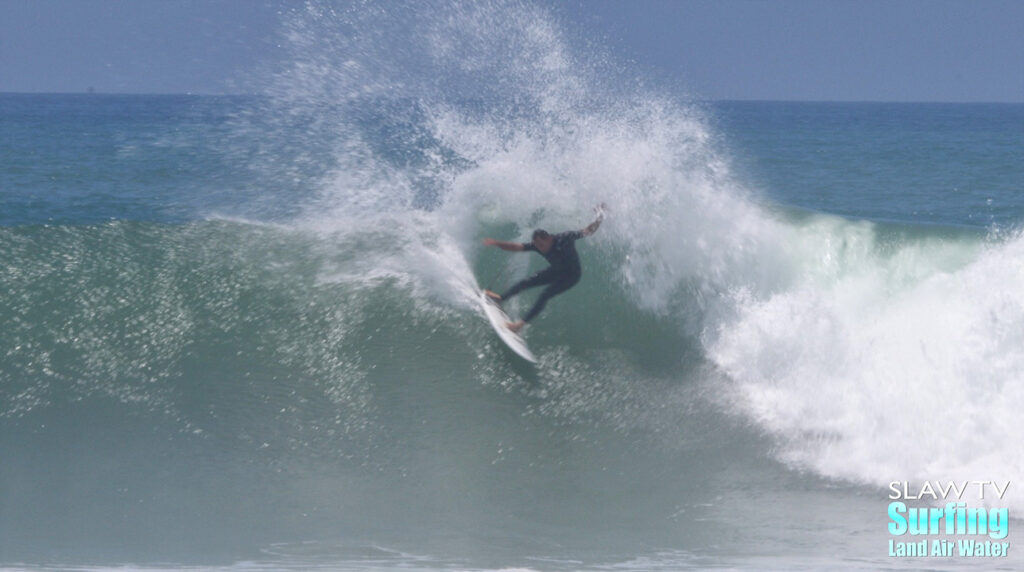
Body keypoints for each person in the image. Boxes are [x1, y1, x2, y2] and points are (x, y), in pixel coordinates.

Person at [482, 206, 604, 333]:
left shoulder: (565, 237)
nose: (540, 248)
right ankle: (501, 298)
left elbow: (588, 231)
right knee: (526, 282)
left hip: (571, 276)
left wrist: (599, 218)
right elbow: (515, 247)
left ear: (549, 238)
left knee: (545, 295)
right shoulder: (537, 245)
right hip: (556, 271)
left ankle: (518, 326)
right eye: (537, 246)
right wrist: (497, 243)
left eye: (541, 245)